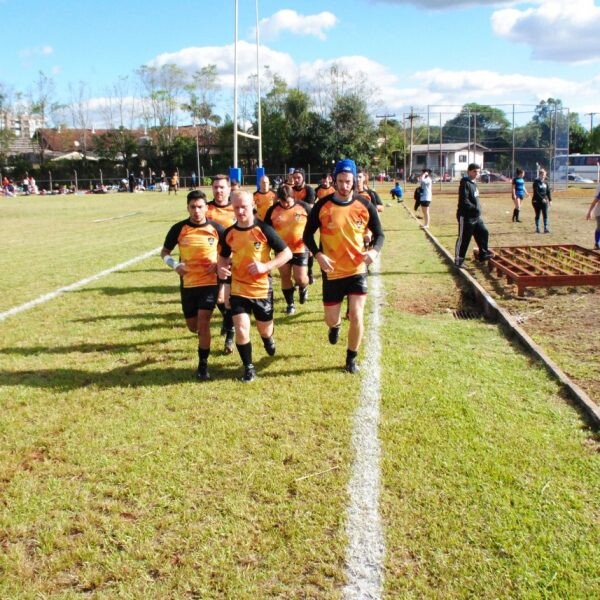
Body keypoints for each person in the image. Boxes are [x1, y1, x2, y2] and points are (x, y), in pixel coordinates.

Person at [303, 158, 384, 374]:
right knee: (331, 319)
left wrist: (374, 251)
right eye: (340, 180)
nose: (345, 185)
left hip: (357, 270)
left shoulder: (364, 205)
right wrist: (318, 255)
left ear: (355, 180)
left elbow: (380, 234)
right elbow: (307, 235)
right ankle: (336, 326)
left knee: (357, 315)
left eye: (349, 181)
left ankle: (351, 359)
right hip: (332, 272)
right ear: (334, 180)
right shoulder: (322, 205)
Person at [218, 191, 292, 382]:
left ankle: (268, 339)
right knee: (242, 328)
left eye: (244, 206)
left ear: (253, 204)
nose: (240, 211)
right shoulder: (229, 233)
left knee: (264, 330)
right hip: (238, 289)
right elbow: (223, 256)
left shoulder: (264, 229)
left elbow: (287, 253)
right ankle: (249, 368)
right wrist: (222, 268)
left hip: (261, 289)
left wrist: (265, 266)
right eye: (236, 207)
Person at [161, 190, 225, 381]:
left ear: (207, 207)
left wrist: (220, 265)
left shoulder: (217, 229)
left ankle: (203, 366)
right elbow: (165, 252)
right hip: (188, 285)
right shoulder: (179, 228)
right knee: (193, 326)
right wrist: (175, 265)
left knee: (204, 322)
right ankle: (203, 342)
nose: (197, 211)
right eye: (193, 207)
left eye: (200, 207)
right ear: (187, 208)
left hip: (209, 283)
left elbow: (230, 253)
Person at [264, 184, 312, 315]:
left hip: (300, 248)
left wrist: (312, 245)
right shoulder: (273, 210)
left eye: (289, 201)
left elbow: (314, 225)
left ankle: (303, 287)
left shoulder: (304, 207)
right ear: (279, 199)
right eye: (283, 202)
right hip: (282, 250)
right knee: (285, 276)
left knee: (300, 278)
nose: (286, 205)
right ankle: (290, 304)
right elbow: (266, 230)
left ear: (293, 197)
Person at [206, 174, 237, 353]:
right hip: (212, 262)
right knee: (219, 300)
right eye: (215, 187)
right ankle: (228, 321)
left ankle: (230, 338)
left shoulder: (237, 208)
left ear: (229, 189)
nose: (218, 190)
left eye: (222, 187)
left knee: (227, 300)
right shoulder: (206, 209)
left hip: (233, 261)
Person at [454, 163, 493, 267]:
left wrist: (478, 209)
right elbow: (464, 200)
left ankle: (483, 254)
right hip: (466, 216)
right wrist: (474, 208)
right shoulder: (465, 183)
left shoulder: (474, 183)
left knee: (484, 232)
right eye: (474, 171)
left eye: (478, 171)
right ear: (469, 171)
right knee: (464, 238)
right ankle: (459, 259)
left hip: (476, 216)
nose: (477, 173)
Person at [531, 167, 552, 233]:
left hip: (544, 201)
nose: (543, 175)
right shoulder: (536, 182)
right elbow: (536, 192)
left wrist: (550, 200)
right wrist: (542, 199)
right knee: (538, 214)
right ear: (539, 175)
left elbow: (548, 191)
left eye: (544, 174)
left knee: (545, 214)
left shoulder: (546, 182)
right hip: (536, 201)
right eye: (541, 174)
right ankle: (537, 228)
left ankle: (546, 228)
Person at [585, 184, 600, 250]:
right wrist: (589, 212)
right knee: (599, 228)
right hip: (599, 212)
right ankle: (597, 243)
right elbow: (594, 202)